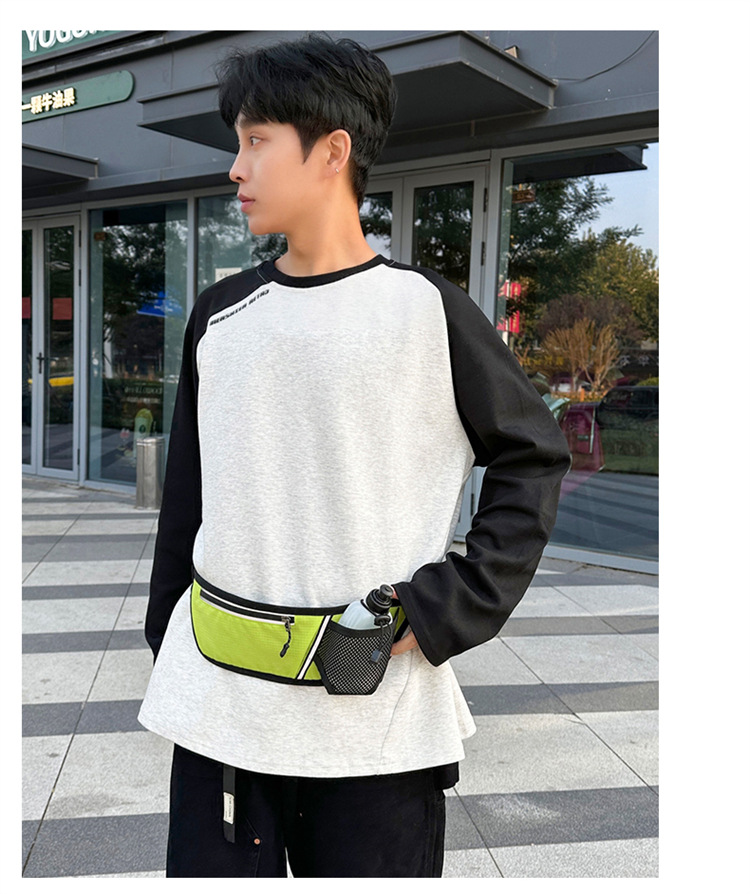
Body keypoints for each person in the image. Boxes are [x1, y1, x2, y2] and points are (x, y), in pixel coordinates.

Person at [138, 32, 571, 878]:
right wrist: (171, 638)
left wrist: (450, 602)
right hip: (223, 712)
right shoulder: (220, 314)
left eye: (257, 141)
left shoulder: (427, 312)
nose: (236, 167)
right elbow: (188, 494)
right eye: (238, 143)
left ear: (333, 151)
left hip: (375, 724)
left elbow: (533, 455)